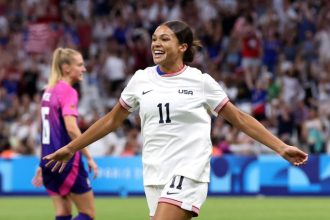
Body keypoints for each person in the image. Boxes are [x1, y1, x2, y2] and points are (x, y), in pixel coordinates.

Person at [43, 21, 308, 220]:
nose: (156, 44)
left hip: (188, 170)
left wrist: (280, 147)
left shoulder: (200, 82)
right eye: (154, 39)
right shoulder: (141, 79)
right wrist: (72, 147)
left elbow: (239, 118)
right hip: (155, 171)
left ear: (182, 47)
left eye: (165, 39)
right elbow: (111, 121)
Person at [32, 48, 98, 220]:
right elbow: (71, 128)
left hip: (48, 161)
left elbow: (46, 131)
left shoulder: (48, 91)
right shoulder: (68, 91)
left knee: (63, 213)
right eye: (80, 65)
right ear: (67, 68)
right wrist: (89, 156)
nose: (84, 69)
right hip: (65, 162)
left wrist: (41, 163)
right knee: (88, 214)